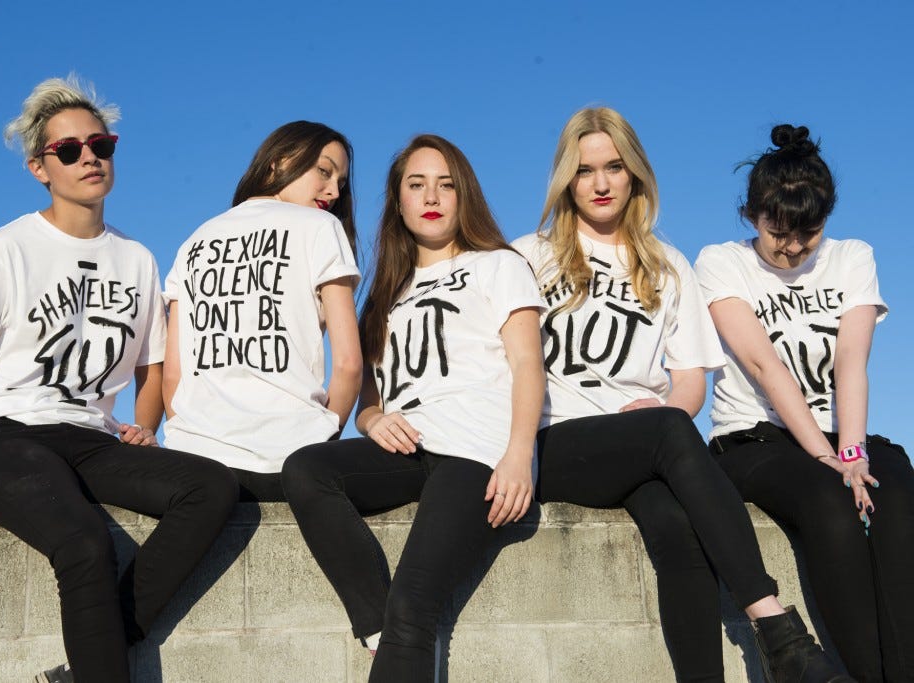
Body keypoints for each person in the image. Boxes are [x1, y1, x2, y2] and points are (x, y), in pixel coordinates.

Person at [0, 75, 237, 683]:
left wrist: (143, 424)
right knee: (85, 544)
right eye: (69, 150)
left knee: (211, 489)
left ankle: (93, 660)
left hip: (89, 437)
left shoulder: (136, 258)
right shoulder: (8, 247)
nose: (89, 157)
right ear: (41, 167)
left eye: (101, 144)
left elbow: (151, 366)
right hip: (2, 438)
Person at [512, 107, 852, 683]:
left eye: (614, 167)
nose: (600, 183)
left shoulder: (668, 266)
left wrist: (664, 412)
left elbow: (690, 380)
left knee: (679, 531)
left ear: (635, 175)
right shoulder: (528, 256)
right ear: (566, 180)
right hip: (556, 442)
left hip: (642, 447)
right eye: (585, 170)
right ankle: (778, 629)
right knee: (671, 429)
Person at [281, 134, 546, 681]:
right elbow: (370, 401)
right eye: (417, 184)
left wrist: (519, 455)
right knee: (306, 468)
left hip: (474, 454)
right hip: (412, 450)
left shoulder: (499, 265)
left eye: (446, 185)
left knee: (416, 606)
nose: (432, 196)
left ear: (464, 196)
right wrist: (375, 419)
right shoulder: (385, 293)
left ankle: (397, 629)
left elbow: (527, 365)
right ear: (397, 201)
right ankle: (379, 627)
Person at [696, 124, 914, 683]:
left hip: (839, 432)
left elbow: (850, 364)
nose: (792, 248)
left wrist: (853, 451)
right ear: (752, 216)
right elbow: (765, 367)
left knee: (897, 489)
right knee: (830, 502)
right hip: (754, 440)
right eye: (778, 233)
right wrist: (827, 459)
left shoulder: (852, 256)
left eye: (808, 234)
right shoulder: (721, 262)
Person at [162, 121, 362, 500]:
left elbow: (174, 375)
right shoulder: (320, 227)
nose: (334, 190)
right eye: (324, 170)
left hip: (198, 461)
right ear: (279, 161)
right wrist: (321, 439)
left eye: (341, 181)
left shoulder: (194, 240)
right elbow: (350, 363)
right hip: (290, 457)